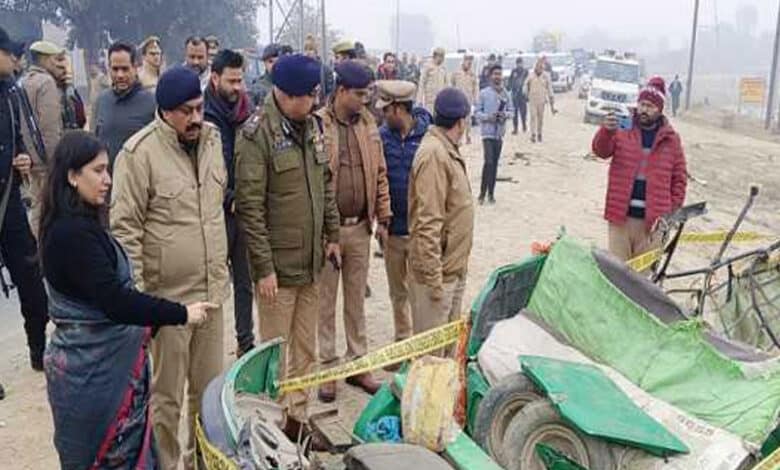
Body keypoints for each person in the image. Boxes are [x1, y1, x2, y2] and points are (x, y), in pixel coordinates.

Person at [40, 130, 216, 470]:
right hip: (92, 379)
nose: (107, 180)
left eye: (108, 170)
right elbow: (115, 302)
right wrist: (181, 313)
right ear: (72, 176)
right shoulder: (71, 235)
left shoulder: (82, 224)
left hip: (105, 374)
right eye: (97, 171)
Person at [111, 66, 229, 470]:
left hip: (211, 296)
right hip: (167, 303)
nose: (196, 118)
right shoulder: (138, 154)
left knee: (210, 394)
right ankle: (166, 465)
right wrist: (142, 306)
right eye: (186, 112)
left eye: (199, 108)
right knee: (166, 400)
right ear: (164, 111)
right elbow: (125, 231)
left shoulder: (212, 139)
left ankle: (203, 464)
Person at [234, 54, 339, 448]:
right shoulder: (255, 135)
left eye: (313, 96)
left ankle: (298, 421)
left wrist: (332, 235)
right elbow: (250, 207)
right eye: (304, 97)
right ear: (281, 93)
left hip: (311, 263)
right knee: (274, 357)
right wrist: (263, 268)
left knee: (305, 352)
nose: (311, 103)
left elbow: (324, 185)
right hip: (277, 269)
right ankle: (271, 431)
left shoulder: (312, 127)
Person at [315, 61, 391, 403]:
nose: (366, 100)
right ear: (342, 90)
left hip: (361, 227)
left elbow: (380, 172)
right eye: (360, 94)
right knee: (326, 302)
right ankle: (329, 370)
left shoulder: (369, 123)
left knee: (356, 300)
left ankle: (358, 365)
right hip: (326, 233)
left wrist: (384, 215)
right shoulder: (318, 123)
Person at [592, 77, 687, 262]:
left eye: (651, 106)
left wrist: (671, 213)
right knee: (617, 276)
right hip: (621, 218)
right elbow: (601, 151)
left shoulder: (671, 140)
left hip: (653, 225)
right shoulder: (622, 128)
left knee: (641, 281)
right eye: (642, 104)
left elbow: (679, 179)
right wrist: (606, 131)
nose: (644, 110)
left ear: (660, 110)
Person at [408, 87, 474, 346]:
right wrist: (434, 282)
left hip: (452, 270)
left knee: (447, 353)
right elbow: (428, 223)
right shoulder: (434, 154)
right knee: (430, 359)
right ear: (461, 122)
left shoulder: (447, 149)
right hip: (437, 277)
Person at [0, 27, 49, 374]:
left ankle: (39, 349)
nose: (17, 60)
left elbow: (18, 143)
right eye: (11, 53)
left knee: (32, 279)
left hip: (10, 205)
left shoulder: (11, 96)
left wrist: (22, 159)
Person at [375, 80, 432, 359]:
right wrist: (380, 222)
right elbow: (377, 180)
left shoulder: (428, 137)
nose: (383, 115)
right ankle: (402, 344)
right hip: (393, 232)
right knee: (397, 292)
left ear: (399, 109)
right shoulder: (381, 137)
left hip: (421, 231)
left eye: (386, 110)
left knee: (420, 292)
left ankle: (421, 350)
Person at [204, 49, 255, 357]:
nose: (237, 87)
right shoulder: (200, 113)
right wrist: (226, 198)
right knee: (211, 280)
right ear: (215, 78)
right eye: (231, 81)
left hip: (244, 209)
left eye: (240, 80)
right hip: (213, 211)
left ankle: (246, 343)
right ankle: (207, 346)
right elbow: (206, 167)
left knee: (244, 281)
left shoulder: (249, 110)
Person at [19, 40, 66, 238]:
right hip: (45, 163)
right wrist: (56, 164)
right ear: (45, 60)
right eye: (57, 60)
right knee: (46, 215)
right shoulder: (46, 83)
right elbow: (49, 129)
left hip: (27, 161)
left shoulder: (22, 82)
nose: (61, 65)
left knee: (35, 211)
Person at [93, 42, 156, 168]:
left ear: (135, 67)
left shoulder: (152, 102)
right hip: (107, 181)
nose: (120, 75)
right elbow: (94, 139)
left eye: (125, 69)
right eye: (115, 69)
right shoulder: (102, 100)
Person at [475, 64, 513, 205]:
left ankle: (491, 194)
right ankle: (482, 193)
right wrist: (488, 117)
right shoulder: (484, 93)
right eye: (495, 74)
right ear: (490, 76)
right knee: (488, 162)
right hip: (487, 134)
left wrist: (504, 115)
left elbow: (512, 111)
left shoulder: (506, 93)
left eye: (499, 74)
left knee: (495, 163)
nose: (497, 76)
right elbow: (477, 113)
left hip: (499, 134)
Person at [450, 53, 478, 144]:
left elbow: (476, 87)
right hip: (458, 99)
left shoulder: (473, 74)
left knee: (468, 120)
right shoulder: (456, 73)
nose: (469, 63)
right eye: (467, 60)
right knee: (458, 119)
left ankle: (468, 136)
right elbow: (452, 85)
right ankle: (459, 138)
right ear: (464, 61)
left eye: (470, 61)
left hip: (468, 100)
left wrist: (476, 99)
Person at [525, 59, 555, 143]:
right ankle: (533, 134)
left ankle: (539, 133)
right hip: (532, 100)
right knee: (533, 117)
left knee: (540, 118)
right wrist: (526, 95)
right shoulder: (531, 75)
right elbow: (525, 86)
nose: (539, 68)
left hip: (542, 100)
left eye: (541, 67)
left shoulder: (546, 76)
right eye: (538, 66)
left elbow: (550, 89)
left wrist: (551, 101)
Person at [250, 43, 282, 108]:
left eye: (279, 61)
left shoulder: (290, 84)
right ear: (265, 63)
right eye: (270, 61)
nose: (275, 65)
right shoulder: (258, 87)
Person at [417, 47, 448, 113]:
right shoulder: (427, 66)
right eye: (441, 56)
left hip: (440, 100)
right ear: (436, 56)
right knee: (430, 118)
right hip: (429, 100)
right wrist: (419, 100)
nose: (442, 59)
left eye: (443, 57)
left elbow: (446, 84)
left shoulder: (443, 68)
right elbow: (422, 83)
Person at [508, 57, 529, 134]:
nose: (519, 65)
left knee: (523, 112)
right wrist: (510, 88)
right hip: (515, 94)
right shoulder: (514, 71)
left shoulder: (525, 71)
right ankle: (515, 128)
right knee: (515, 112)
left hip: (522, 95)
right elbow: (510, 81)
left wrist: (527, 93)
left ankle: (524, 125)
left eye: (520, 63)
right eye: (518, 63)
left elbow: (528, 82)